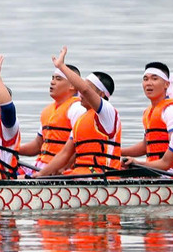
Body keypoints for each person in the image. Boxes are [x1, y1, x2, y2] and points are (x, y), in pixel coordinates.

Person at [36, 48, 120, 177]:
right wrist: (41, 175)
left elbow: (85, 90)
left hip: (102, 177)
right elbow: (64, 153)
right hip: (79, 174)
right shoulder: (82, 118)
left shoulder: (107, 113)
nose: (80, 92)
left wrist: (61, 66)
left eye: (85, 87)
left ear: (101, 94)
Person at [17, 59, 83, 172]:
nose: (52, 82)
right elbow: (37, 145)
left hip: (60, 171)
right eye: (52, 78)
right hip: (40, 166)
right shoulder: (47, 111)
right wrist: (12, 150)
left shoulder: (77, 108)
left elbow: (80, 147)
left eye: (58, 79)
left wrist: (63, 168)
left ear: (72, 85)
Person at [120, 62, 173, 163]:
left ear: (167, 84)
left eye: (154, 79)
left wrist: (139, 163)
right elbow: (145, 146)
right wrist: (115, 152)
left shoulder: (171, 110)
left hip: (171, 170)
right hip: (154, 168)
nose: (148, 83)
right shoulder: (148, 112)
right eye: (145, 79)